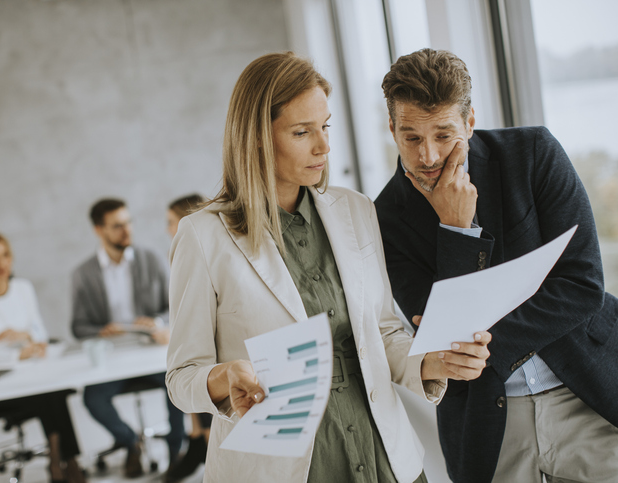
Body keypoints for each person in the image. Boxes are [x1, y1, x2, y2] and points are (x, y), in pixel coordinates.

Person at [166, 51, 491, 483]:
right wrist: (224, 377)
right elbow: (181, 378)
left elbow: (383, 331)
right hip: (283, 467)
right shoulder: (202, 235)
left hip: (383, 455)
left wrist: (434, 362)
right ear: (258, 137)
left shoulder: (355, 210)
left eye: (325, 126)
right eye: (302, 132)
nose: (324, 146)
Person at [374, 48, 618, 483]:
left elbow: (582, 284)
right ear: (392, 128)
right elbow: (443, 334)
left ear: (469, 122)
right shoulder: (385, 218)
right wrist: (456, 230)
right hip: (486, 418)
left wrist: (482, 343)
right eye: (411, 137)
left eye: (444, 135)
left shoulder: (534, 153)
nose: (428, 155)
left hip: (588, 391)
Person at [0, 232, 85, 483]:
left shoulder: (23, 288)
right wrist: (17, 355)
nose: (1, 264)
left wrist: (26, 336)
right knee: (51, 394)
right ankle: (67, 461)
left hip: (32, 375)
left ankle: (59, 459)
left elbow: (40, 335)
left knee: (51, 389)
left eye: (5, 255)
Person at [70, 198, 185, 478]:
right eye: (117, 226)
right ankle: (130, 441)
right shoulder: (83, 274)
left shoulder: (151, 259)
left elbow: (177, 305)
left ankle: (177, 451)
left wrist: (156, 321)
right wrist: (101, 331)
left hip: (152, 351)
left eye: (128, 222)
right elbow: (78, 327)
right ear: (99, 230)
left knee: (180, 383)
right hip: (113, 356)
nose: (127, 231)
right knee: (93, 399)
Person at [163, 194, 211, 483]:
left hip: (212, 343)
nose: (168, 229)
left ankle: (201, 441)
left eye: (171, 222)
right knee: (178, 370)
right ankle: (196, 438)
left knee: (191, 365)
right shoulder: (182, 250)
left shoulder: (198, 248)